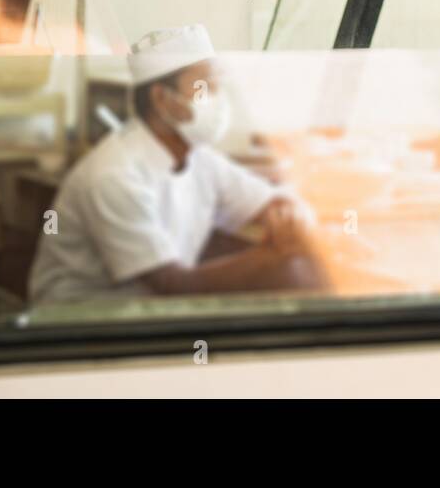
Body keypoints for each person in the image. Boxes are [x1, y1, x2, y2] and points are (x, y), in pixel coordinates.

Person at [29, 25, 324, 303]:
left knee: (300, 272)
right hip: (77, 321)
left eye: (216, 88)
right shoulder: (114, 175)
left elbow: (270, 201)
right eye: (203, 89)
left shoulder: (199, 158)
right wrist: (274, 254)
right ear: (162, 99)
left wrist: (291, 216)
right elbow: (173, 285)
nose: (217, 101)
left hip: (146, 310)